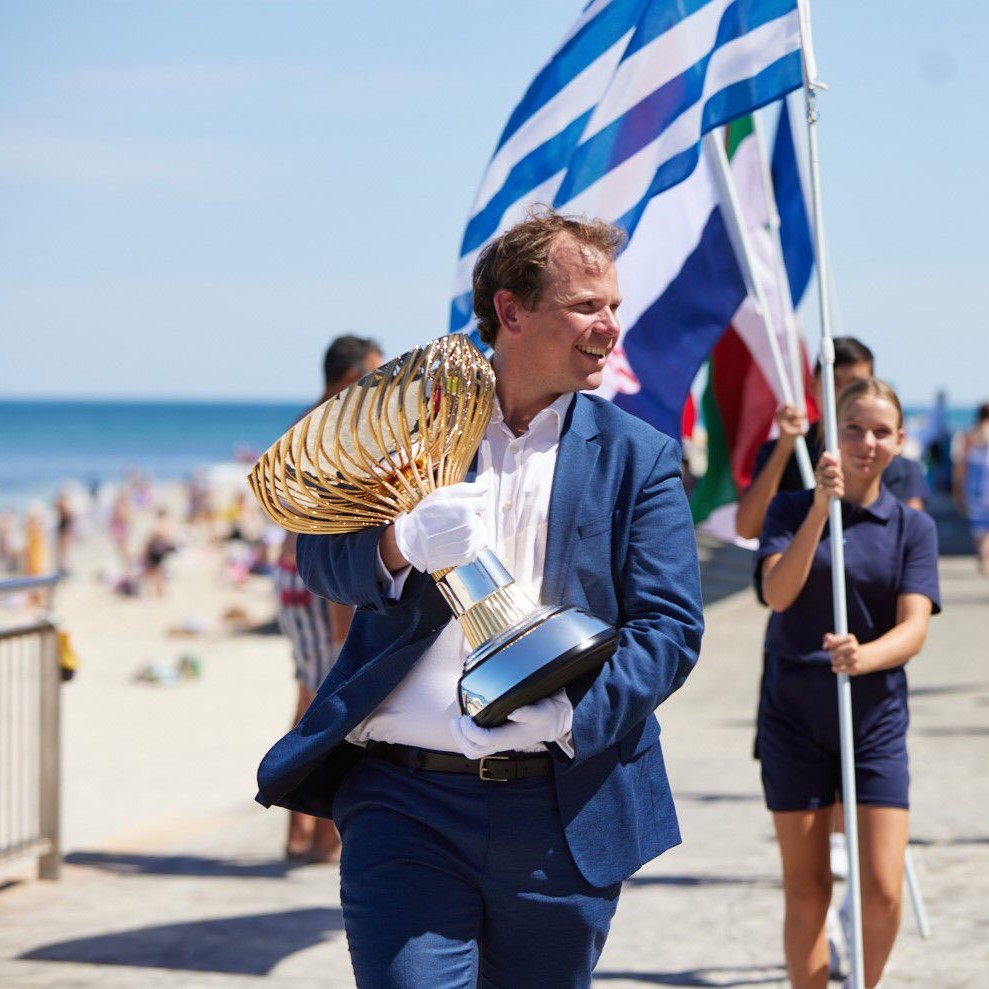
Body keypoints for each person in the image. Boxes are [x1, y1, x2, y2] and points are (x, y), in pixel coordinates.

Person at [255, 208, 704, 987]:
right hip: (404, 802)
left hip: (561, 809)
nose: (609, 327)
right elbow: (320, 558)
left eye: (614, 308)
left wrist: (569, 715)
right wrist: (398, 545)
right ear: (510, 310)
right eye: (587, 306)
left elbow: (668, 628)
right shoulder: (409, 428)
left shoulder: (641, 457)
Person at [755, 378, 939, 989]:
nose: (866, 442)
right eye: (854, 428)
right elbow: (778, 596)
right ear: (832, 434)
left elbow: (914, 628)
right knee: (807, 888)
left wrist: (866, 656)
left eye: (881, 431)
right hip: (794, 713)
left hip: (874, 715)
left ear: (900, 443)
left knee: (882, 889)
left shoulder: (913, 529)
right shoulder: (789, 509)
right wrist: (817, 510)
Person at [274, 334, 384, 863]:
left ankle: (299, 832)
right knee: (328, 703)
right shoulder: (342, 431)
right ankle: (320, 835)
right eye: (374, 375)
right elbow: (338, 528)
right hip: (317, 580)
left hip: (289, 576)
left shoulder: (305, 423)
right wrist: (346, 620)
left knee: (306, 697)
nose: (381, 386)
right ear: (349, 379)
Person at [735, 337, 927, 542]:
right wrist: (783, 450)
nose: (842, 394)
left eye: (855, 385)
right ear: (814, 384)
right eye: (833, 382)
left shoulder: (899, 468)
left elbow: (910, 543)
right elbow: (748, 529)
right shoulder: (786, 452)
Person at [954, 401, 989, 574]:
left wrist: (957, 489)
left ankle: (983, 557)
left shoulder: (970, 435)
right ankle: (985, 557)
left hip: (975, 486)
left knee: (979, 527)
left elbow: (961, 464)